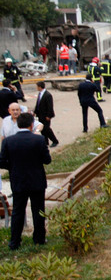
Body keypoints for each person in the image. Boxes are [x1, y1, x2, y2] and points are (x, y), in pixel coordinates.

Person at [0, 112, 52, 250]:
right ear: (31, 125)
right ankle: (39, 239)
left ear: (18, 124)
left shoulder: (8, 141)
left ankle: (15, 241)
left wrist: (13, 166)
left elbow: (2, 162)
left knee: (18, 211)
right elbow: (47, 160)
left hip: (18, 181)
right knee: (38, 210)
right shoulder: (39, 140)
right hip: (37, 181)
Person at [33, 82, 59, 147]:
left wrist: (49, 115)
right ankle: (45, 141)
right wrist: (35, 112)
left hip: (46, 115)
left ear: (40, 87)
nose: (36, 88)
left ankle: (55, 141)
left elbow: (50, 106)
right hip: (40, 115)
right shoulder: (40, 94)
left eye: (37, 86)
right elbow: (38, 104)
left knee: (47, 129)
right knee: (43, 129)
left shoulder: (47, 95)